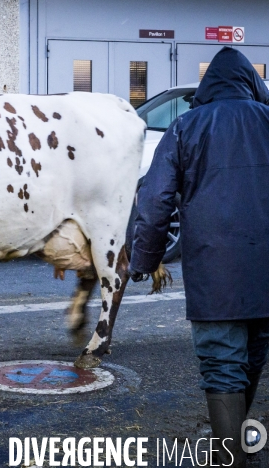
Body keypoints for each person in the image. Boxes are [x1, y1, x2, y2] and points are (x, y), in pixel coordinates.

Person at [129, 46, 269, 467]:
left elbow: (154, 202)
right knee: (251, 357)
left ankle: (230, 456)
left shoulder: (185, 127)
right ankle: (238, 441)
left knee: (222, 362)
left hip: (215, 276)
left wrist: (143, 260)